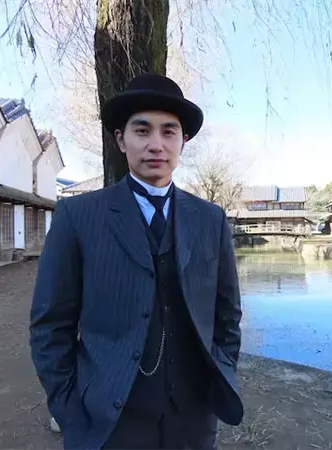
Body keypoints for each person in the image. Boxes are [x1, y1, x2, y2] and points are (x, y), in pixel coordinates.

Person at [29, 73, 244, 450]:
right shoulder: (78, 216)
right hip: (109, 420)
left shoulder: (210, 219)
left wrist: (221, 371)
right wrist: (69, 410)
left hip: (193, 419)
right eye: (142, 131)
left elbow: (227, 315)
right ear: (120, 140)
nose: (156, 144)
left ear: (183, 141)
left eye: (169, 132)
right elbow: (51, 325)